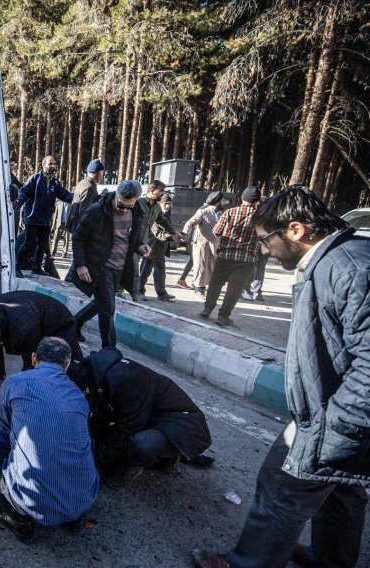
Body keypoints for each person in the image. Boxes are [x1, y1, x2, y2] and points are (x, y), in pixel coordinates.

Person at [192, 186, 370, 568]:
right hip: (339, 414)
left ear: (295, 230)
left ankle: (246, 563)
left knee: (280, 489)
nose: (263, 250)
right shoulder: (337, 260)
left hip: (337, 419)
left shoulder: (348, 268)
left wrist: (335, 425)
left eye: (265, 240)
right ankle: (330, 560)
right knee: (344, 490)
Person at [0, 337, 99, 543]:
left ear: (34, 358)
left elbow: (4, 435)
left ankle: (19, 520)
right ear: (67, 365)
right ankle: (71, 518)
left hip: (31, 502)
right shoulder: (79, 396)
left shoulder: (16, 382)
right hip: (84, 500)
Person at [81, 348, 212, 490]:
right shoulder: (99, 376)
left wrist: (96, 459)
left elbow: (128, 428)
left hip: (185, 427)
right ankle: (166, 458)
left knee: (142, 443)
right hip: (154, 419)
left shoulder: (123, 380)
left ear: (86, 389)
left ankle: (134, 467)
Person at [0, 290, 83, 402]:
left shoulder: (23, 330)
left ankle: (81, 398)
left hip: (57, 322)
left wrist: (19, 392)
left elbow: (30, 364)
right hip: (27, 310)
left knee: (69, 367)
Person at [70, 180, 148, 346]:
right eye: (121, 205)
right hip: (99, 267)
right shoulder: (97, 211)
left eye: (129, 206)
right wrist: (80, 264)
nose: (124, 210)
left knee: (102, 302)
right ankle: (109, 349)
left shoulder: (137, 211)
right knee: (108, 309)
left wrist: (141, 246)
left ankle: (75, 322)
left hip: (120, 268)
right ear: (116, 196)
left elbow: (132, 238)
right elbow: (78, 237)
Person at [199, 186, 261, 327]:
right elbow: (264, 238)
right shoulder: (261, 217)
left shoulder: (230, 212)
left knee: (216, 282)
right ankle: (223, 316)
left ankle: (207, 309)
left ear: (242, 198)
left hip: (226, 255)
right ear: (257, 201)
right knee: (235, 288)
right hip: (247, 259)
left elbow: (216, 231)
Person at [16, 155, 73, 275]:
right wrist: (18, 202)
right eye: (50, 164)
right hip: (32, 218)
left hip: (45, 220)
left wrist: (78, 197)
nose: (53, 166)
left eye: (54, 164)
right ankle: (16, 266)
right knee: (29, 244)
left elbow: (65, 195)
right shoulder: (35, 179)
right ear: (43, 165)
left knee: (42, 245)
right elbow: (24, 192)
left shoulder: (55, 183)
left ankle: (36, 268)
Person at [132, 180, 183, 301]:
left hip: (142, 244)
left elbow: (163, 221)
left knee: (137, 269)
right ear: (152, 191)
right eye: (161, 191)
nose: (162, 194)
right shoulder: (138, 204)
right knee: (133, 269)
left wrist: (175, 232)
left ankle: (142, 292)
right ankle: (131, 292)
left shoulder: (156, 207)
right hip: (133, 243)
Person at [182, 192, 223, 298]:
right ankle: (198, 288)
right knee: (201, 265)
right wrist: (185, 233)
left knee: (210, 266)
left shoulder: (220, 214)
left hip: (215, 244)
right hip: (201, 244)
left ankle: (203, 286)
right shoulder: (203, 212)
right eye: (222, 200)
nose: (223, 202)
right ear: (218, 202)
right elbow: (190, 223)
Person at [138, 194, 177, 301]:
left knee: (160, 273)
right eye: (166, 204)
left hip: (161, 250)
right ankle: (139, 291)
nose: (168, 206)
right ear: (160, 204)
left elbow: (169, 229)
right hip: (152, 249)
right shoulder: (155, 215)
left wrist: (177, 234)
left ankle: (162, 293)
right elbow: (158, 233)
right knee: (144, 273)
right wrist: (171, 237)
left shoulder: (166, 215)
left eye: (169, 204)